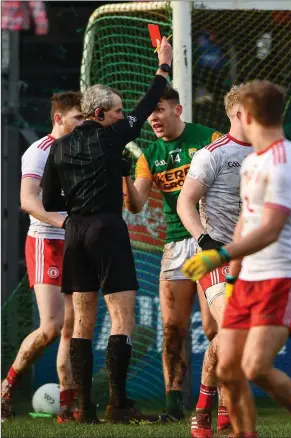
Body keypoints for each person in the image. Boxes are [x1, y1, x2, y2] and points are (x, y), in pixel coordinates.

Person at [178, 83, 291, 437]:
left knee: (245, 361)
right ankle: (214, 415)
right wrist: (213, 251)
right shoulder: (220, 155)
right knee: (229, 359)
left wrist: (227, 257)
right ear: (240, 115)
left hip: (268, 267)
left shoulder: (282, 160)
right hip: (223, 257)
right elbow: (192, 204)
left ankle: (239, 417)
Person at [40, 37, 173, 425]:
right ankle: (118, 403)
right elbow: (148, 104)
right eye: (117, 112)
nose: (122, 116)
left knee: (81, 321)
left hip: (75, 231)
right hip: (107, 227)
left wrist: (78, 207)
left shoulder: (58, 149)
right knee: (121, 317)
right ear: (99, 113)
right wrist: (163, 66)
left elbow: (49, 200)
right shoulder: (111, 134)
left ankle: (84, 408)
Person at [123, 85, 221, 422]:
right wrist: (124, 174)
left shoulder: (209, 137)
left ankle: (222, 402)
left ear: (177, 110)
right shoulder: (148, 155)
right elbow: (135, 205)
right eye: (150, 114)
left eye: (159, 110)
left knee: (212, 327)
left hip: (209, 239)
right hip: (176, 247)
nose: (153, 119)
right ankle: (173, 406)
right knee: (172, 329)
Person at [1, 91, 84, 423]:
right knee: (51, 326)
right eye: (78, 118)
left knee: (72, 328)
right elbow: (27, 201)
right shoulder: (40, 152)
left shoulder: (82, 149)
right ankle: (7, 389)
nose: (82, 125)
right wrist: (64, 221)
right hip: (47, 241)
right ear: (58, 118)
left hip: (77, 243)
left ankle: (67, 404)